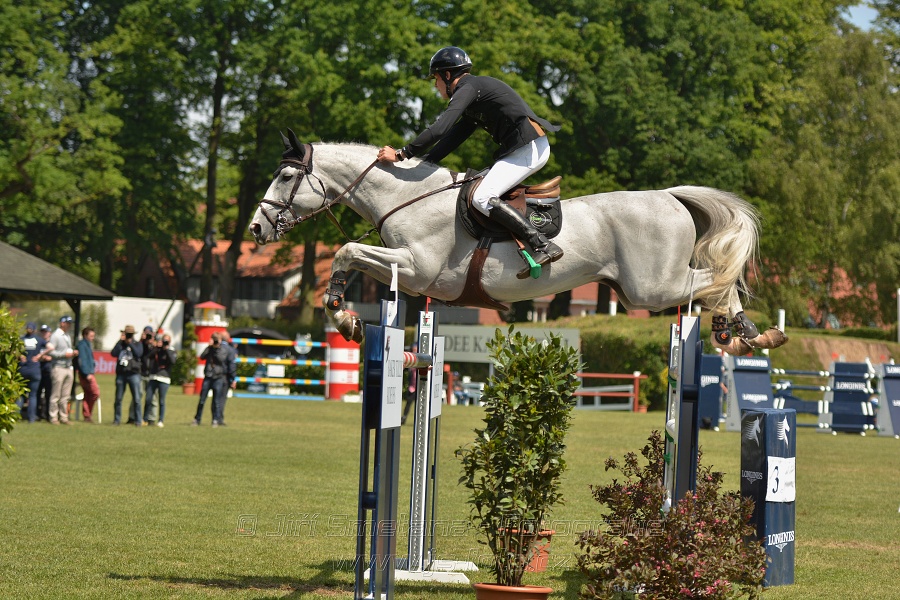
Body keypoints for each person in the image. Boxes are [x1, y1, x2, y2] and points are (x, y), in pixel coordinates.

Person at [377, 46, 563, 279]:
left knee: (481, 197)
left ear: (447, 75)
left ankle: (542, 244)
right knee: (477, 191)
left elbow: (439, 129)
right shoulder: (473, 94)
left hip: (530, 148)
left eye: (435, 79)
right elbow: (454, 136)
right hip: (525, 148)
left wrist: (402, 154)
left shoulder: (467, 88)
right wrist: (425, 164)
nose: (435, 86)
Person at [195, 333, 231, 428]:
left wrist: (216, 349)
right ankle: (197, 419)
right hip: (208, 376)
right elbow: (202, 357)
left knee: (216, 401)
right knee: (202, 400)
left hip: (218, 378)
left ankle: (215, 419)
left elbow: (220, 360)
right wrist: (209, 347)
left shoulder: (223, 349)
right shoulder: (209, 349)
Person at [111, 325, 143, 426]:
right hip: (121, 374)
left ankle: (138, 420)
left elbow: (138, 354)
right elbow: (113, 353)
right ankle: (117, 420)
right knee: (118, 399)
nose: (128, 336)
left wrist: (130, 344)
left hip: (134, 374)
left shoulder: (137, 344)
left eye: (130, 334)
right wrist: (120, 341)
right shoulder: (120, 344)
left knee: (137, 399)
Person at [47, 316, 78, 425]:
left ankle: (64, 417)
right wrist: (63, 355)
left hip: (68, 367)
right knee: (56, 395)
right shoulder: (55, 335)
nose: (69, 325)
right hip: (58, 367)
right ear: (62, 323)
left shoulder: (68, 336)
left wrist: (73, 353)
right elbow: (51, 352)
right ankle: (53, 417)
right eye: (67, 323)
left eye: (70, 323)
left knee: (66, 395)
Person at [145, 333, 176, 428]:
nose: (165, 342)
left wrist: (166, 349)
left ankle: (161, 420)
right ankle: (145, 419)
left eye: (167, 341)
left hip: (164, 378)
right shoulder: (157, 350)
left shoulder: (171, 350)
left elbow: (172, 361)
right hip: (153, 376)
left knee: (161, 400)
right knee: (148, 398)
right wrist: (156, 348)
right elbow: (147, 357)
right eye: (164, 340)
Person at [17, 322, 43, 423]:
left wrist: (19, 356)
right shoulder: (39, 340)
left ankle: (17, 417)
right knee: (33, 395)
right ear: (35, 330)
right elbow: (51, 347)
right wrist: (40, 355)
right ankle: (31, 418)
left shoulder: (21, 339)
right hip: (34, 370)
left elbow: (11, 349)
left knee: (20, 395)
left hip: (22, 370)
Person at [75, 327, 100, 422]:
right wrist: (86, 373)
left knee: (88, 394)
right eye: (91, 336)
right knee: (95, 393)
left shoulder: (87, 344)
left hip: (89, 372)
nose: (93, 338)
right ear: (85, 335)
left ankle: (87, 415)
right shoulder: (82, 345)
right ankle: (87, 413)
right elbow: (82, 361)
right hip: (86, 374)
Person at [36, 325, 53, 421]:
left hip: (48, 370)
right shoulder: (38, 343)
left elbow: (55, 355)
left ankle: (47, 414)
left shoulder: (51, 343)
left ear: (49, 333)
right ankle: (37, 414)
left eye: (46, 331)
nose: (44, 333)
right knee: (37, 393)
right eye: (42, 331)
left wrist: (49, 358)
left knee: (49, 393)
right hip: (38, 370)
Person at [139, 325, 155, 423]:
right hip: (141, 373)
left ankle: (151, 418)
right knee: (138, 396)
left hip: (152, 374)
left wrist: (153, 344)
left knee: (152, 398)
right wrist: (142, 341)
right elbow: (139, 353)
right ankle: (135, 417)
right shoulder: (140, 344)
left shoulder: (155, 345)